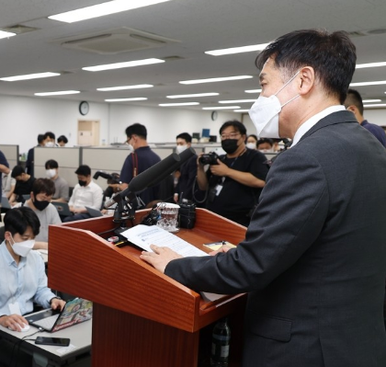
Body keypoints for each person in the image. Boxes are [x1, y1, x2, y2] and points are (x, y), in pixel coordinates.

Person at [141, 29, 386, 367]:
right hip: (353, 339)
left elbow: (251, 269)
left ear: (304, 80)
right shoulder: (369, 145)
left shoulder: (306, 158)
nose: (260, 97)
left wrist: (174, 265)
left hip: (304, 347)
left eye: (264, 84)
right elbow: (328, 244)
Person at [0, 206, 65, 330]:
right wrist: (2, 318)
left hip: (30, 322)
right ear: (8, 236)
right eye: (25, 239)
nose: (30, 243)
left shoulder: (35, 258)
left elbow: (41, 290)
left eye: (33, 238)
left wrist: (52, 299)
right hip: (0, 326)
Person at [196, 120, 268, 226]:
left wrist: (227, 172)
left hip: (240, 220)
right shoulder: (219, 159)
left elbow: (261, 182)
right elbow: (203, 186)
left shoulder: (254, 157)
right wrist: (200, 168)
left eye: (232, 135)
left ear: (243, 137)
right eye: (223, 136)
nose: (227, 139)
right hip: (213, 216)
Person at [116, 123, 161, 205]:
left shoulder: (132, 158)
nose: (129, 144)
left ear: (134, 138)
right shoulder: (157, 158)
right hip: (155, 206)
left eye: (128, 141)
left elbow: (125, 187)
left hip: (139, 208)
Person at [22, 178, 61, 249]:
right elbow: (18, 241)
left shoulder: (51, 208)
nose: (45, 202)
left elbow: (59, 233)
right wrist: (43, 245)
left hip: (47, 251)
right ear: (32, 195)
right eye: (43, 198)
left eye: (49, 199)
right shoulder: (21, 210)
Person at [174, 133, 200, 203]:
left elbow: (191, 180)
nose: (179, 146)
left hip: (188, 197)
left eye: (181, 144)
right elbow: (179, 178)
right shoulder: (182, 158)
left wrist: (185, 197)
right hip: (181, 193)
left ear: (188, 144)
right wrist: (176, 193)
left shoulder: (193, 159)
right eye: (177, 144)